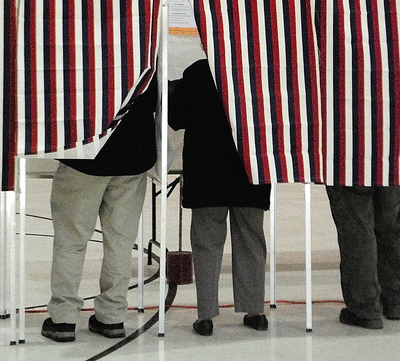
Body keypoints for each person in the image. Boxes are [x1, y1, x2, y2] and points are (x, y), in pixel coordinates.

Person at [41, 77, 157, 343]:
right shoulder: (147, 50)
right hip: (133, 155)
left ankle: (63, 318)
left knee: (71, 241)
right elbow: (154, 100)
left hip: (84, 155)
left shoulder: (81, 47)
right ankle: (112, 316)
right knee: (120, 242)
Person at [169, 58, 271, 336]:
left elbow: (175, 118)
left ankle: (206, 316)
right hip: (251, 170)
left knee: (206, 245)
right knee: (251, 240)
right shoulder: (260, 69)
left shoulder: (199, 71)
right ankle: (255, 311)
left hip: (207, 172)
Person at [325, 185, 400, 330]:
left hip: (352, 166)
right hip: (394, 165)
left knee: (357, 229)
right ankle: (393, 301)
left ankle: (365, 307)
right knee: (389, 225)